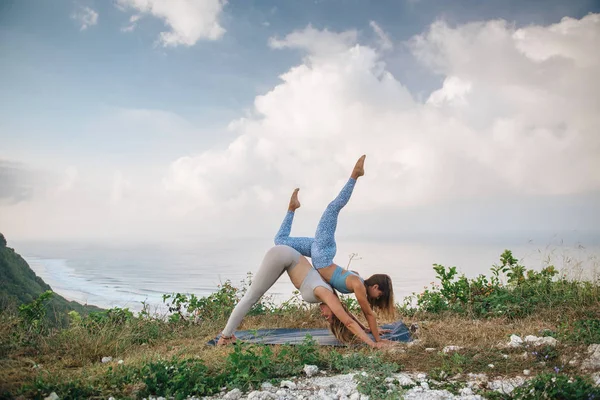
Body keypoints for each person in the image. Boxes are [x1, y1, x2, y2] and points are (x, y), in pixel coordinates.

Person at [274, 155, 395, 343]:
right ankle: (355, 175)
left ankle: (292, 208)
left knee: (280, 241)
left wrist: (369, 330)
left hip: (318, 252)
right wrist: (378, 341)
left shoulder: (357, 281)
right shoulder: (357, 284)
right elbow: (369, 314)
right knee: (332, 208)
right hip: (322, 252)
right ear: (376, 287)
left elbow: (346, 312)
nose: (377, 299)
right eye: (379, 295)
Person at [217, 245, 388, 348]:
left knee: (252, 297)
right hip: (284, 255)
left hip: (289, 257)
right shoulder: (325, 293)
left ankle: (228, 335)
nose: (325, 316)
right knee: (251, 297)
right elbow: (347, 321)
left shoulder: (329, 295)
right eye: (329, 317)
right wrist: (373, 344)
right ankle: (225, 337)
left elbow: (346, 314)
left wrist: (366, 329)